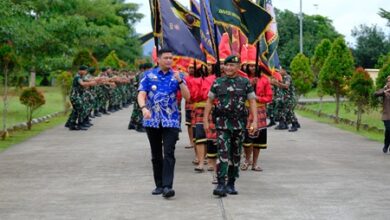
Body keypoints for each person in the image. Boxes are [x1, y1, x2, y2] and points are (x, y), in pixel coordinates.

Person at [137, 48, 190, 198]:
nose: (168, 60)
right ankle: (159, 185)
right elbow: (141, 94)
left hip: (171, 121)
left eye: (171, 58)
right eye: (165, 58)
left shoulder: (177, 76)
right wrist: (143, 108)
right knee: (156, 154)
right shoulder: (148, 76)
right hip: (152, 120)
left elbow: (187, 96)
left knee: (169, 153)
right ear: (158, 59)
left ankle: (168, 186)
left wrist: (180, 80)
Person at [203, 55, 258, 197]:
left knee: (235, 153)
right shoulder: (218, 82)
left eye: (232, 65)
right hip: (222, 124)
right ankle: (221, 183)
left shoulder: (245, 82)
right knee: (223, 153)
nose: (228, 68)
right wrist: (205, 120)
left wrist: (255, 121)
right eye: (226, 65)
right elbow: (209, 101)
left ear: (238, 67)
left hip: (239, 124)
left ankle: (231, 183)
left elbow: (252, 102)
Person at [375, 75, 390, 153]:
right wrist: (384, 91)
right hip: (386, 115)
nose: (389, 82)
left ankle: (387, 145)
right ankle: (386, 145)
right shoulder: (384, 90)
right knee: (388, 130)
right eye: (388, 81)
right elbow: (376, 94)